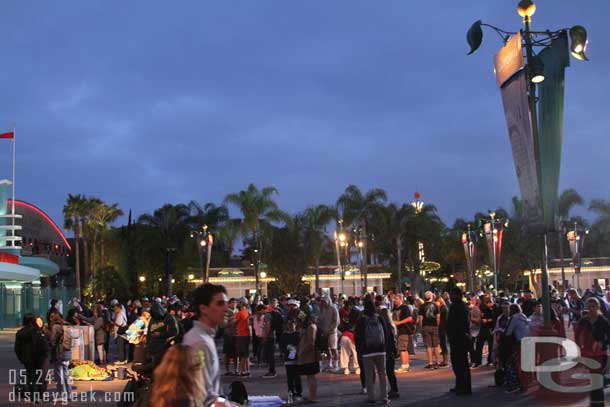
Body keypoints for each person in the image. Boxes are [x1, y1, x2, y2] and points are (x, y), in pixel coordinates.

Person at [183, 283, 238, 407]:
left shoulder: (205, 338)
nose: (226, 308)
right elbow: (204, 396)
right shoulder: (199, 343)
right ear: (203, 308)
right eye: (219, 304)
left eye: (226, 303)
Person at [575, 297, 610, 407]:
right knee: (594, 379)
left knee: (597, 380)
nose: (591, 309)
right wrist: (579, 346)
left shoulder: (603, 320)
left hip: (600, 354)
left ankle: (598, 404)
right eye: (589, 306)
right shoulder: (584, 320)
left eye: (593, 306)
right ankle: (595, 403)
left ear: (598, 307)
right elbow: (577, 334)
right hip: (588, 354)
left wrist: (602, 343)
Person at [355, 295, 389, 405]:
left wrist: (359, 350)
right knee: (382, 374)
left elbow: (358, 336)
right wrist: (386, 348)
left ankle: (371, 397)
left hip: (367, 352)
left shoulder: (362, 320)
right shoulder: (379, 318)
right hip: (380, 350)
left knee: (369, 375)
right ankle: (384, 396)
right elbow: (386, 333)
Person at [14, 313, 49, 400]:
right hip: (38, 358)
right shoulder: (36, 332)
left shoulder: (20, 333)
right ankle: (39, 395)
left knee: (30, 377)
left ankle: (33, 395)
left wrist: (21, 358)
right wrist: (44, 355)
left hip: (27, 359)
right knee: (40, 377)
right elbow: (43, 346)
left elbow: (17, 348)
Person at [446, 287, 472, 396]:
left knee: (462, 363)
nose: (450, 297)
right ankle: (459, 384)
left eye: (452, 295)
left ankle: (465, 387)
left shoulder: (461, 307)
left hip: (460, 338)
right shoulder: (455, 306)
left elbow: (463, 323)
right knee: (456, 363)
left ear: (458, 295)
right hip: (454, 338)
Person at [504, 304, 530, 393]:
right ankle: (526, 383)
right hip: (529, 341)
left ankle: (516, 384)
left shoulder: (514, 318)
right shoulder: (524, 316)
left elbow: (508, 332)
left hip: (520, 342)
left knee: (514, 363)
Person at [147, 301, 179, 368]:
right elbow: (149, 333)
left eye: (156, 313)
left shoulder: (169, 318)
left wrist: (161, 334)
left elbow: (175, 332)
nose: (155, 314)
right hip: (153, 348)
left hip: (163, 348)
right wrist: (148, 346)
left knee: (161, 368)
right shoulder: (153, 319)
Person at [296, 314, 319, 403]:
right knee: (309, 376)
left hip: (310, 356)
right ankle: (311, 396)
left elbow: (311, 342)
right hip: (308, 355)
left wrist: (302, 352)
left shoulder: (311, 327)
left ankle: (313, 396)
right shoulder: (309, 327)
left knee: (311, 376)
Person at [48, 310, 72, 396]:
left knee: (58, 373)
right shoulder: (67, 325)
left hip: (58, 353)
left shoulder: (55, 327)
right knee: (66, 373)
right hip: (67, 352)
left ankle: (60, 392)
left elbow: (52, 341)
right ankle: (69, 394)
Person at [280, 314, 303, 402]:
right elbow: (282, 346)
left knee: (297, 377)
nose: (291, 325)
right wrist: (286, 350)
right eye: (289, 324)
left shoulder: (298, 334)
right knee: (289, 378)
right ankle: (291, 392)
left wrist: (297, 349)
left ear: (295, 324)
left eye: (293, 323)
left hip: (297, 359)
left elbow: (301, 345)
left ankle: (299, 393)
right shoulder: (284, 335)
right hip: (288, 359)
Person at [378, 307, 399, 400]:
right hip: (391, 350)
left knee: (388, 371)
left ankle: (393, 390)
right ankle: (394, 389)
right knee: (390, 371)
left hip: (386, 350)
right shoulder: (391, 325)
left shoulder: (384, 326)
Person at [418, 291, 441, 369]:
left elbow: (420, 318)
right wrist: (437, 325)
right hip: (434, 326)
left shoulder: (422, 306)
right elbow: (438, 317)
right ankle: (437, 362)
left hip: (426, 326)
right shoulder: (436, 305)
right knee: (436, 345)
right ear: (431, 296)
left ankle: (430, 363)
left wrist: (421, 327)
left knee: (428, 345)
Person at [392, 294, 415, 373]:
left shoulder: (405, 308)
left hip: (404, 330)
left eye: (397, 299)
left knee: (402, 348)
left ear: (401, 299)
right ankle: (406, 365)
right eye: (395, 299)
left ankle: (404, 365)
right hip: (398, 330)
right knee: (403, 349)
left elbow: (409, 318)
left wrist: (399, 323)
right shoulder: (395, 308)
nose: (395, 300)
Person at [235, 301, 251, 376]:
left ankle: (242, 371)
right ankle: (247, 370)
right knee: (246, 354)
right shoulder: (247, 312)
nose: (238, 304)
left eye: (239, 303)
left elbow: (234, 321)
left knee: (242, 355)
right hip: (247, 334)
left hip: (242, 335)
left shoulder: (240, 313)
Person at [435, 295, 450, 367]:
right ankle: (444, 360)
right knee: (442, 344)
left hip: (443, 328)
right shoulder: (442, 308)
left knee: (443, 344)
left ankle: (446, 361)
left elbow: (443, 319)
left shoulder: (443, 308)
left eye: (436, 302)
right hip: (442, 328)